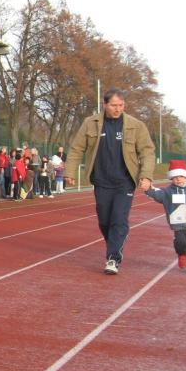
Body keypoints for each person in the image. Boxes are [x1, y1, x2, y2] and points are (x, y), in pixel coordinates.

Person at [65, 88, 155, 275]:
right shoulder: (90, 123)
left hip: (125, 182)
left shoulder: (136, 125)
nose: (118, 109)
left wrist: (146, 176)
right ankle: (114, 243)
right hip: (101, 180)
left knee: (119, 219)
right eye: (114, 105)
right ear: (104, 104)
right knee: (104, 221)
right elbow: (76, 149)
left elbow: (147, 152)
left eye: (121, 105)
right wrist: (69, 172)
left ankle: (113, 258)